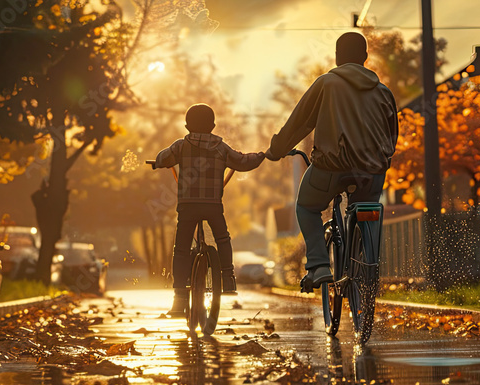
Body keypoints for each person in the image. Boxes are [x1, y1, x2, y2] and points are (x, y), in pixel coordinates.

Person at [265, 31, 398, 292]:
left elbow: (300, 121)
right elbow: (392, 134)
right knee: (365, 212)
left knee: (306, 206)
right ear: (365, 58)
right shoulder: (384, 92)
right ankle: (365, 265)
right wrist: (380, 159)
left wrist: (278, 149)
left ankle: (319, 265)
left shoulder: (327, 83)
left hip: (331, 168)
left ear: (337, 58)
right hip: (371, 172)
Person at [154, 103, 265, 316]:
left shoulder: (180, 146)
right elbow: (242, 162)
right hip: (213, 206)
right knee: (222, 238)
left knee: (181, 248)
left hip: (187, 207)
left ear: (186, 126)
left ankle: (179, 298)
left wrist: (157, 162)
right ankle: (228, 279)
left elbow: (162, 159)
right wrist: (262, 155)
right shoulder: (221, 148)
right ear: (213, 126)